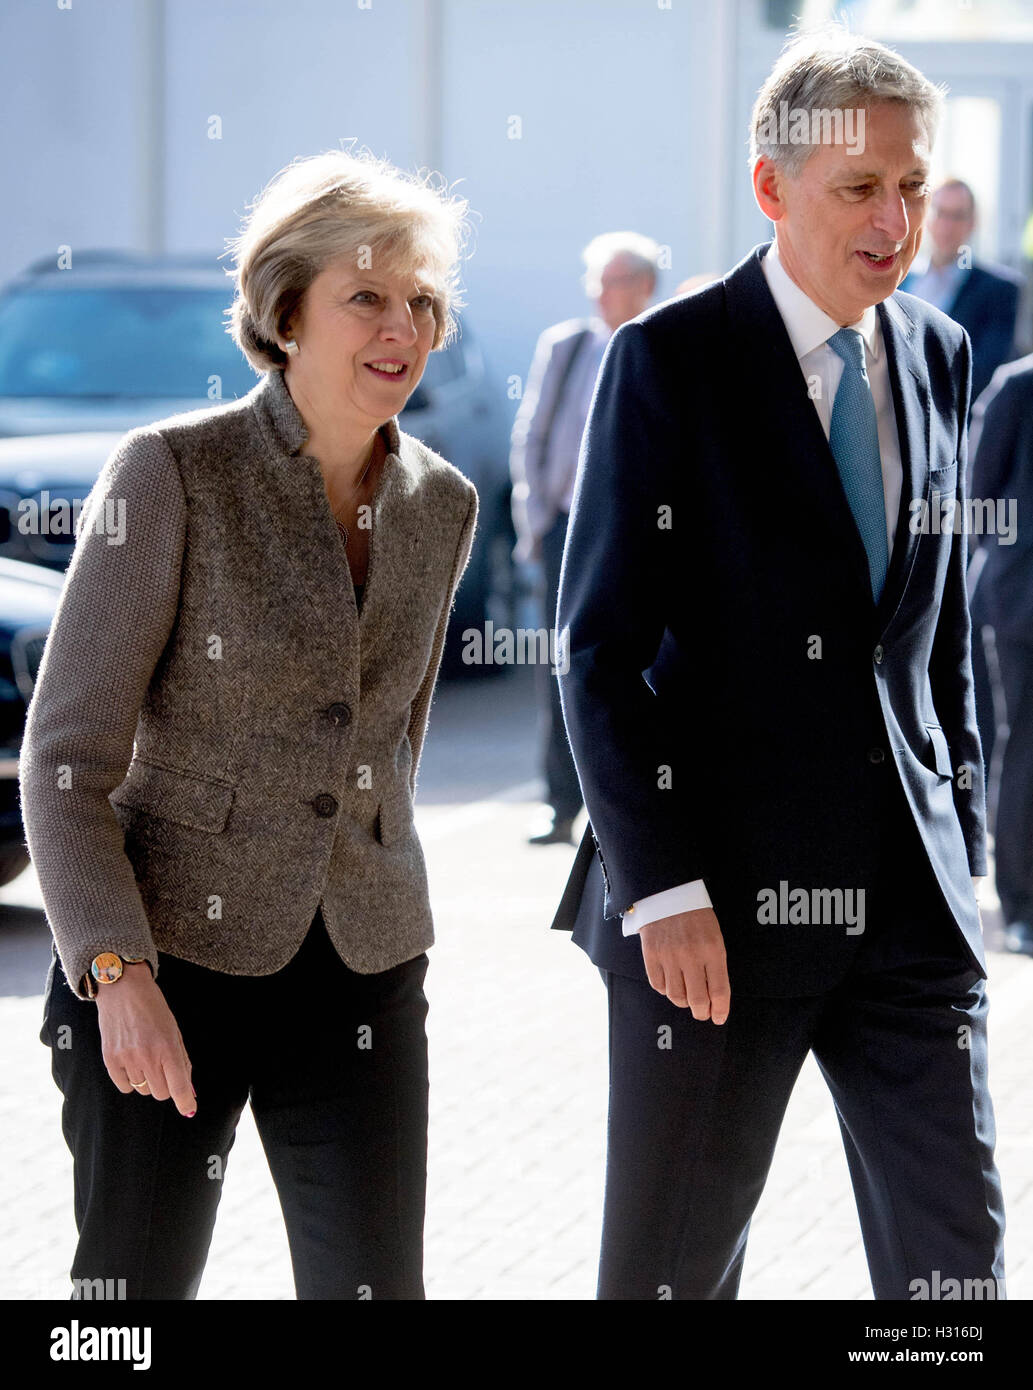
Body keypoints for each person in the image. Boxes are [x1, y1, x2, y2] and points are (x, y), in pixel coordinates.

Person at [552, 27, 1005, 1300]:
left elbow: (932, 628)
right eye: (859, 188)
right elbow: (597, 654)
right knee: (670, 1272)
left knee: (953, 1271)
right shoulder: (671, 361)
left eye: (911, 186)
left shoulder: (937, 353)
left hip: (909, 912)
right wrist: (661, 889)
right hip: (712, 916)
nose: (894, 219)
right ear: (772, 188)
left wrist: (958, 825)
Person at [20, 148, 478, 1300]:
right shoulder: (173, 472)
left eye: (421, 300)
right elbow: (66, 761)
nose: (402, 326)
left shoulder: (443, 502)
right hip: (167, 964)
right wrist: (115, 975)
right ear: (284, 313)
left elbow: (393, 744)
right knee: (126, 1302)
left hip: (364, 967)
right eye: (365, 295)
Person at [510, 232, 660, 845]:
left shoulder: (663, 343)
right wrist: (537, 522)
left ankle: (629, 804)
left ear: (644, 286)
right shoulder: (567, 346)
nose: (602, 294)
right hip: (569, 530)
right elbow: (533, 433)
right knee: (563, 665)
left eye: (615, 282)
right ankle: (560, 804)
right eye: (597, 282)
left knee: (636, 663)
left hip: (643, 533)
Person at [969, 354, 1033, 957]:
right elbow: (978, 496)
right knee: (1026, 746)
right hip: (1023, 607)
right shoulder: (1018, 385)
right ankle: (1021, 903)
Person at [902, 178, 1023, 403]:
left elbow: (984, 370)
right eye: (940, 213)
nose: (947, 225)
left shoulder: (999, 290)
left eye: (957, 216)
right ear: (927, 217)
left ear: (972, 223)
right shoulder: (899, 280)